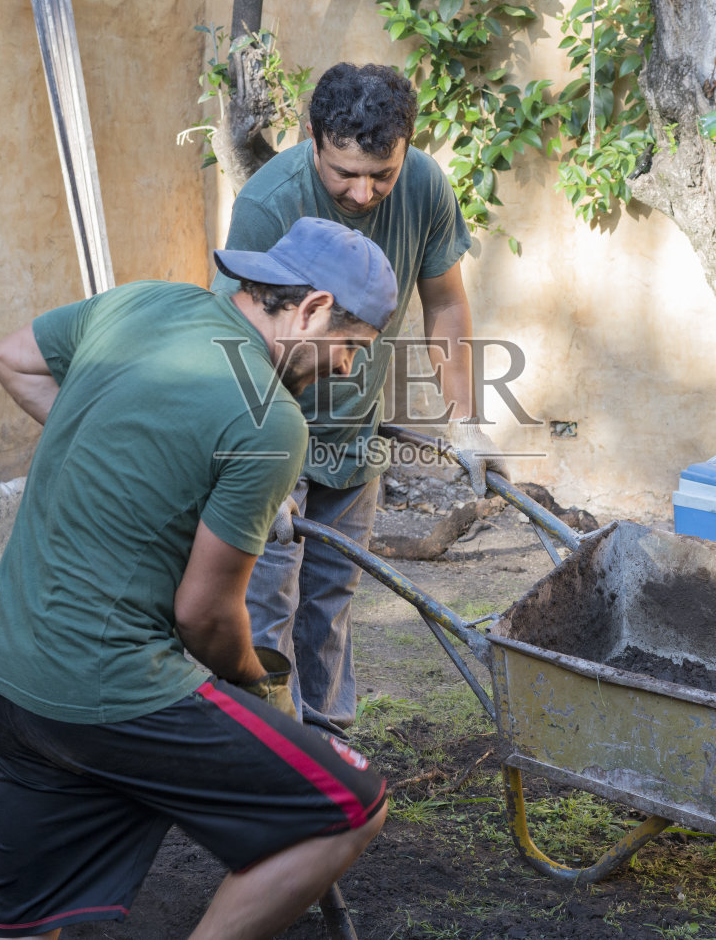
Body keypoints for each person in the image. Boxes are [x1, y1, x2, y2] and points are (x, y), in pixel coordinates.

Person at [0, 217, 397, 940]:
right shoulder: (271, 421)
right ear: (313, 308)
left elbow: (11, 359)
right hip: (113, 689)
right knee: (353, 805)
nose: (349, 369)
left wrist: (128, 456)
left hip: (7, 680)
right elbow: (205, 614)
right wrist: (254, 677)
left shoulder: (140, 302)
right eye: (353, 346)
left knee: (23, 925)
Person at [213, 62, 512, 734]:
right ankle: (267, 752)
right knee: (265, 603)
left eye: (382, 174)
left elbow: (445, 303)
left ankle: (329, 745)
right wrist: (255, 465)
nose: (363, 192)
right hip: (274, 430)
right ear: (311, 135)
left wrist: (466, 422)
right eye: (344, 173)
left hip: (355, 437)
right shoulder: (268, 201)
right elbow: (235, 334)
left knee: (331, 600)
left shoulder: (426, 186)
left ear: (406, 146)